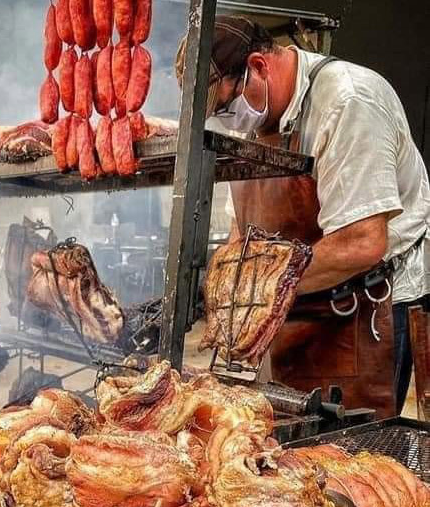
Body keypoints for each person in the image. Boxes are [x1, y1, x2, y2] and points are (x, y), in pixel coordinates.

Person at [176, 16, 430, 417]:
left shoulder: (348, 102)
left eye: (225, 105)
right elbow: (240, 235)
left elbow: (362, 241)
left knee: (352, 456)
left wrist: (256, 289)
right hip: (295, 303)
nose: (226, 119)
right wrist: (229, 298)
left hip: (365, 307)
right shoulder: (253, 120)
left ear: (258, 67)